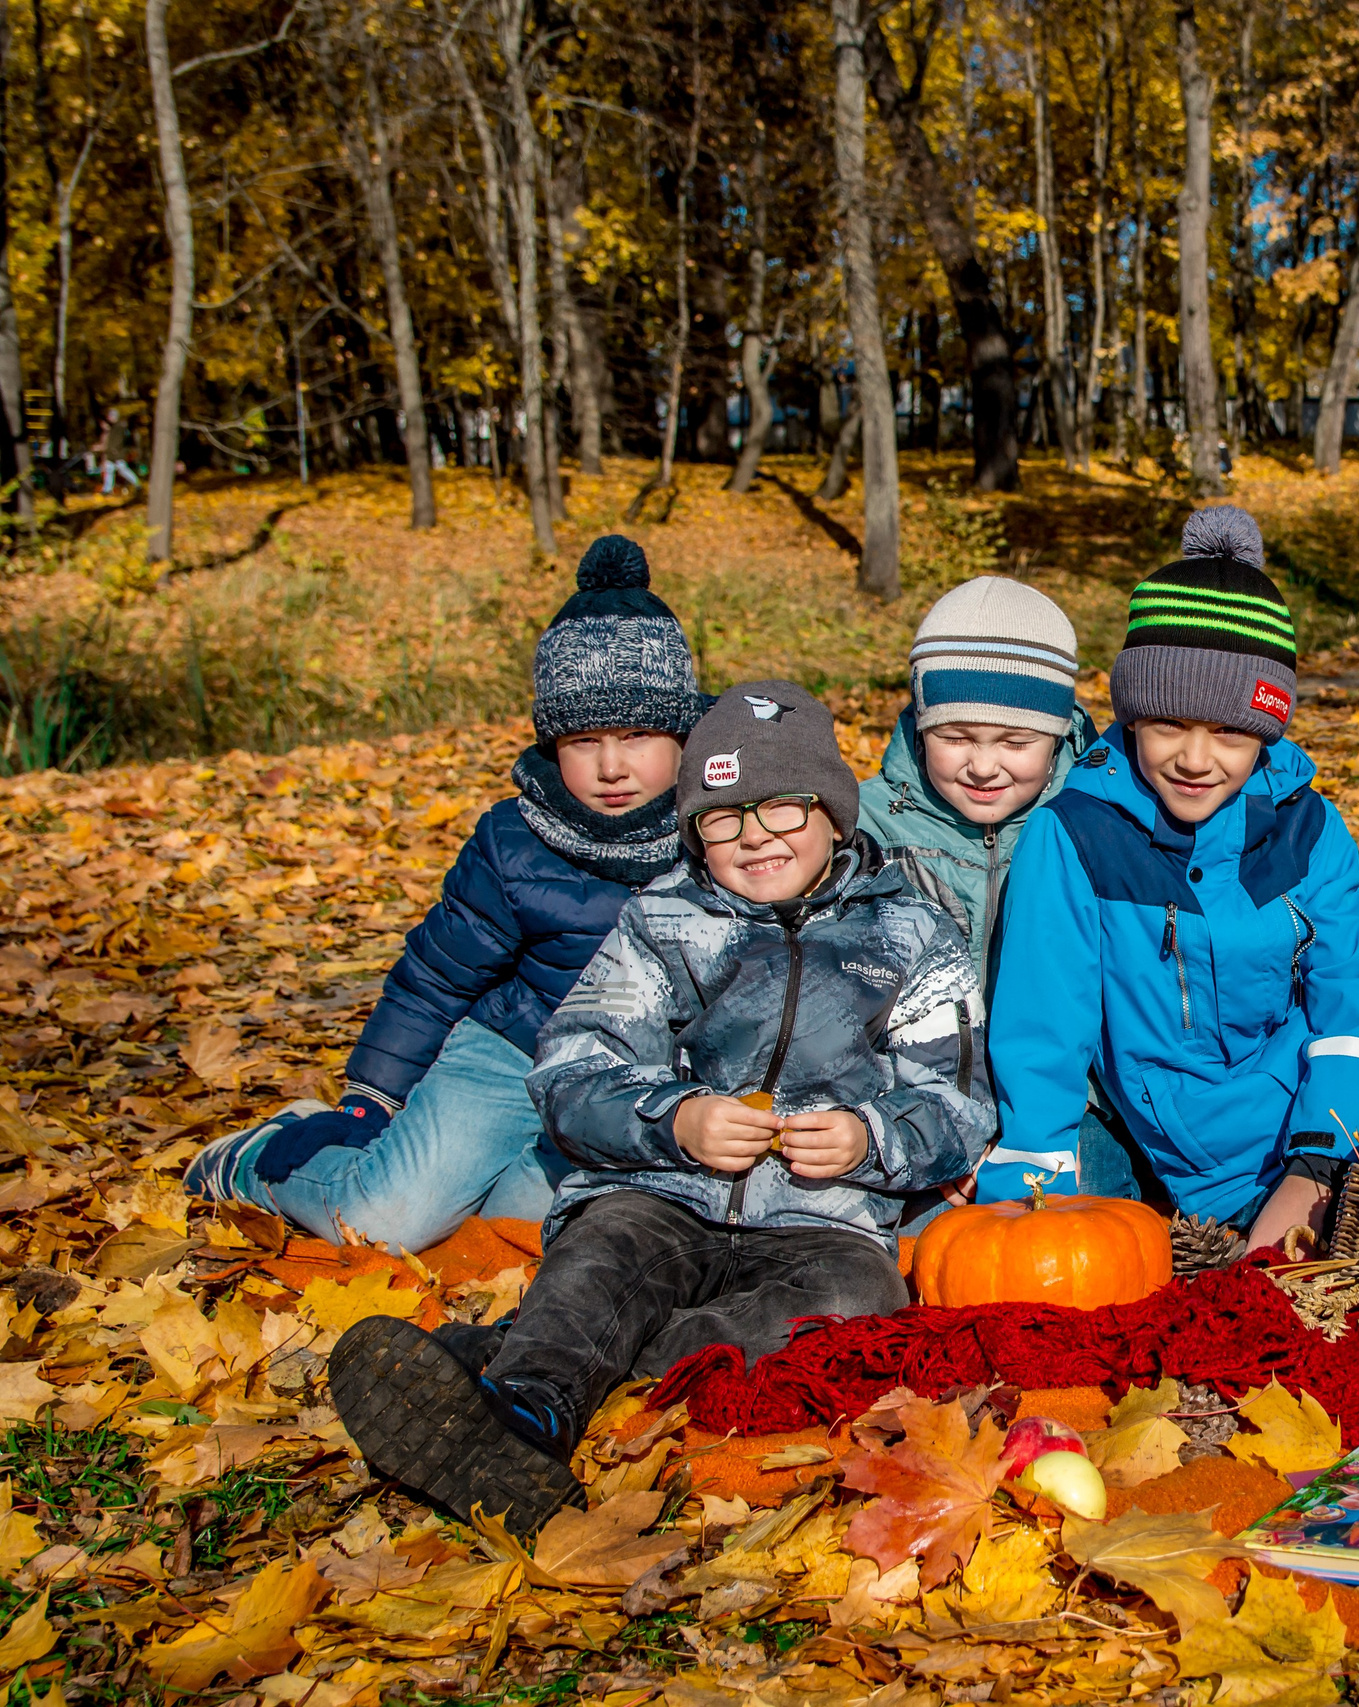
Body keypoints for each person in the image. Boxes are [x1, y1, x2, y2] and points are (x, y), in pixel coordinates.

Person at [327, 681, 992, 1528]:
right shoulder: (664, 922)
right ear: (694, 831)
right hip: (660, 1191)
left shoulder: (911, 935)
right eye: (723, 818)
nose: (755, 838)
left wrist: (871, 1137)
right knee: (604, 1256)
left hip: (824, 1219)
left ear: (833, 814)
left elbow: (960, 1100)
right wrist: (675, 1119)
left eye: (783, 809)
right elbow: (572, 1066)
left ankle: (532, 1358)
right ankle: (524, 1412)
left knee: (855, 1304)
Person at [186, 536, 709, 1250]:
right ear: (551, 740)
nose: (612, 765)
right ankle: (266, 1160)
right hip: (509, 1054)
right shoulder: (515, 837)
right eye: (584, 740)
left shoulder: (717, 830)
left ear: (682, 732)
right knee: (388, 1220)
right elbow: (436, 973)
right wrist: (375, 1095)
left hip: (620, 1081)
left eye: (637, 733)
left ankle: (471, 1184)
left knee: (516, 1233)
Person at [985, 507, 1359, 1249]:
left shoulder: (1309, 829)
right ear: (1133, 713)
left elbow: (1355, 996)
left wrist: (1317, 1164)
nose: (1195, 757)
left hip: (1311, 1125)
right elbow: (1045, 1030)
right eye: (1168, 723)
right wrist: (1029, 1198)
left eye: (1231, 733)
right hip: (1174, 1149)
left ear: (1268, 730)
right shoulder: (1076, 836)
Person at [857, 575, 1098, 986]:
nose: (983, 767)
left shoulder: (1094, 820)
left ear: (1056, 739)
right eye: (954, 738)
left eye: (1016, 743)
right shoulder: (864, 827)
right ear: (921, 728)